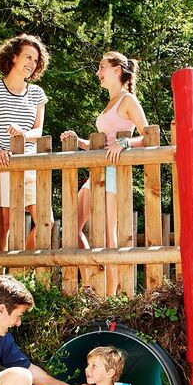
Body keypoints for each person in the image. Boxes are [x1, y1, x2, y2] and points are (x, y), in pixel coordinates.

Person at [60, 51, 151, 294]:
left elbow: (149, 135)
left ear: (117, 70)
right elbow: (102, 144)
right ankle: (90, 282)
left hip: (114, 173)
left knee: (110, 235)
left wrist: (124, 143)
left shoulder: (128, 100)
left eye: (102, 67)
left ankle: (110, 295)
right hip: (97, 173)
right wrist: (77, 140)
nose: (98, 73)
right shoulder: (109, 104)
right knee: (72, 227)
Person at [0, 34, 51, 251]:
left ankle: (21, 271)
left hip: (30, 164)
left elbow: (38, 131)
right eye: (28, 57)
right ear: (14, 57)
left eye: (36, 60)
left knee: (46, 221)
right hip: (3, 164)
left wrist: (24, 133)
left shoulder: (37, 94)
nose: (32, 64)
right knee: (5, 226)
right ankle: (3, 279)